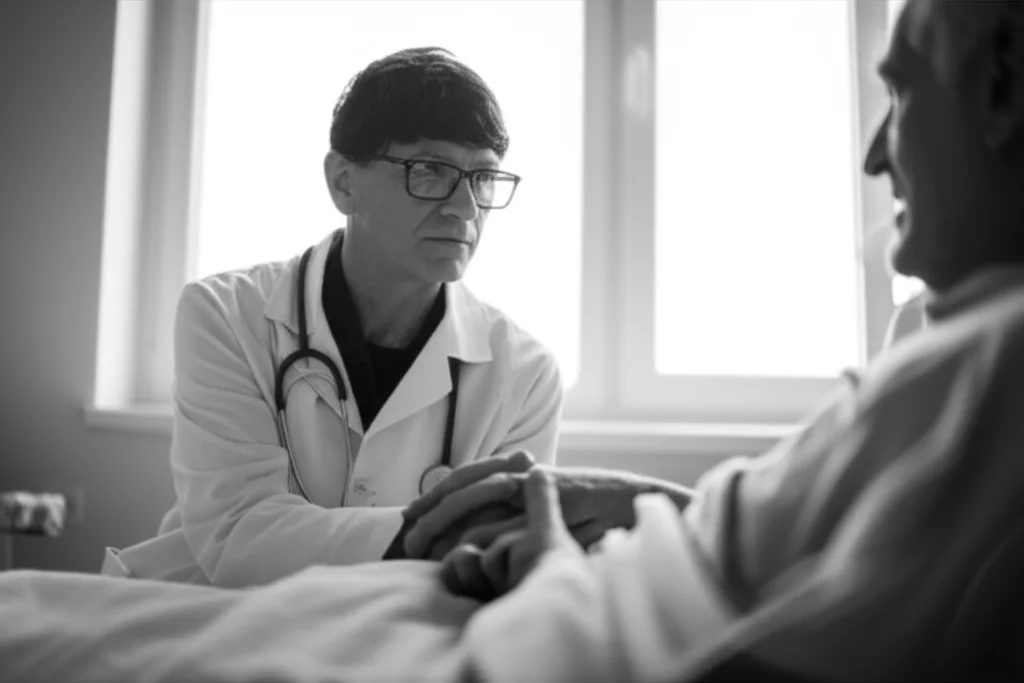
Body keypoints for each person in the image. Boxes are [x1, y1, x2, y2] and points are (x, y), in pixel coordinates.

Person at [398, 2, 1024, 680]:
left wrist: (554, 561)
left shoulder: (989, 370)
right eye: (429, 173)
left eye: (901, 92)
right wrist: (638, 501)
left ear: (1000, 87)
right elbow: (822, 537)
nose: (875, 156)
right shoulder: (947, 333)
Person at [100, 47, 564, 588]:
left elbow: (502, 557)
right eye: (431, 170)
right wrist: (435, 532)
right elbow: (238, 539)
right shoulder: (225, 316)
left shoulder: (526, 375)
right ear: (343, 181)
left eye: (482, 177)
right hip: (207, 618)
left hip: (396, 640)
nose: (465, 208)